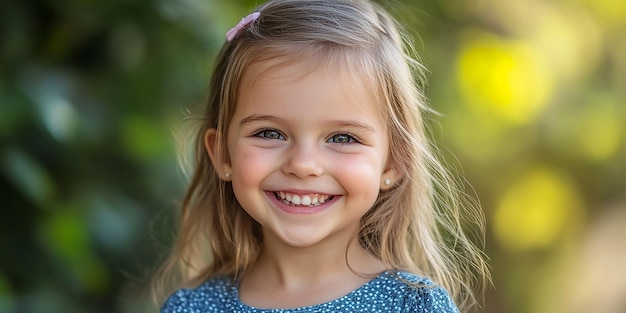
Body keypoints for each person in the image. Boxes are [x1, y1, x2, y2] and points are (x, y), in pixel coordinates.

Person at [154, 0, 489, 312]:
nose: (303, 165)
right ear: (223, 155)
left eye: (342, 137)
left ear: (394, 161)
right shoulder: (192, 307)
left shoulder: (414, 306)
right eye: (270, 133)